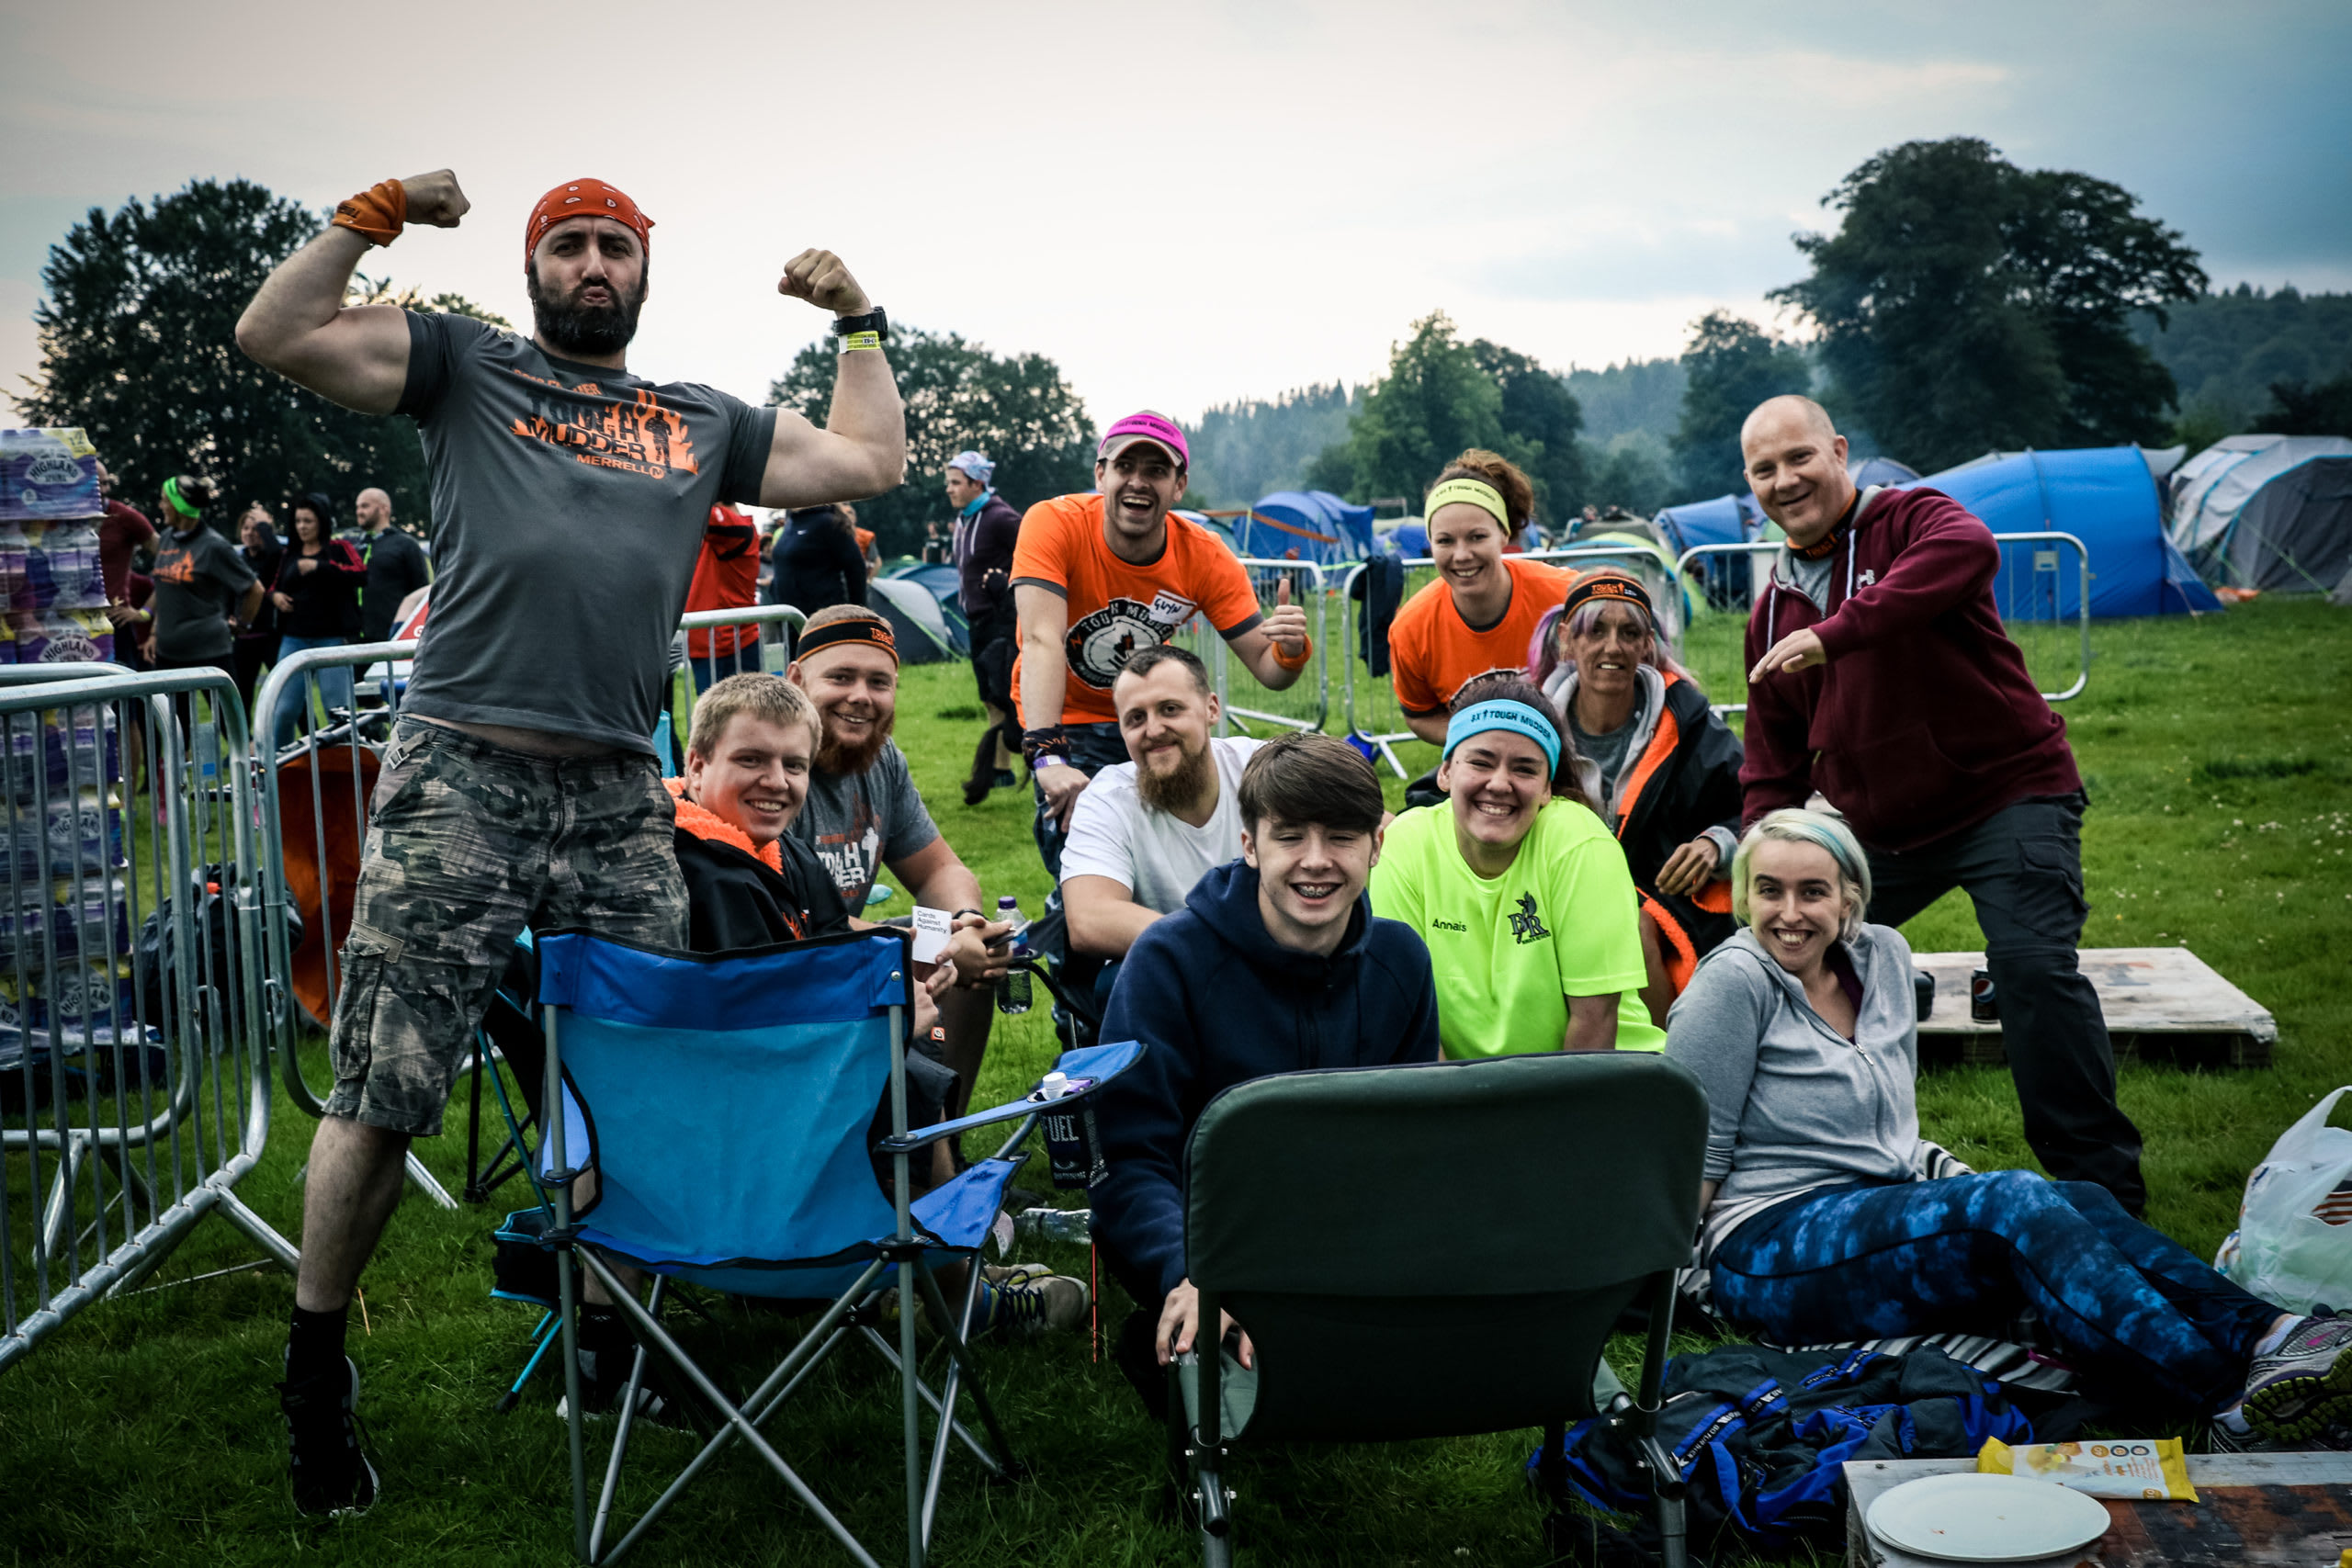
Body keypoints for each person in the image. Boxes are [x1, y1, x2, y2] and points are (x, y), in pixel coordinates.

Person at [235, 165, 903, 1516]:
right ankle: (316, 1367)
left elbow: (870, 461)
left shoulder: (698, 418)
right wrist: (371, 216)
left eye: (615, 247)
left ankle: (609, 1339)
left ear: (644, 274)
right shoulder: (465, 366)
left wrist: (860, 321)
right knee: (386, 1079)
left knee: (631, 1064)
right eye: (571, 246)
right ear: (538, 268)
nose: (594, 265)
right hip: (461, 768)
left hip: (615, 787)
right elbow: (276, 332)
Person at [1667, 807, 2352, 1442]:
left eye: (1812, 891)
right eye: (1768, 890)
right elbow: (1686, 1150)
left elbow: (1893, 1126)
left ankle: (2278, 1335)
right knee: (2011, 1202)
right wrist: (1653, 1271)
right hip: (1766, 1246)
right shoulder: (1734, 981)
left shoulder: (1885, 958)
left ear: (1849, 899)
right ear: (1745, 896)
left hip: (1872, 1210)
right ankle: (2228, 1398)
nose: (1789, 912)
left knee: (2080, 1200)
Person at [1737, 394, 2144, 1213]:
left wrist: (1838, 632)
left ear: (1840, 451)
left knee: (2030, 970)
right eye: (1764, 468)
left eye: (1799, 458)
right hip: (1881, 828)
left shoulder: (1910, 519)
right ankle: (1793, 1167)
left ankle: (2102, 1192)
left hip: (2008, 792)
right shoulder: (1773, 611)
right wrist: (1760, 866)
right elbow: (1772, 760)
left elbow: (1967, 550)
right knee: (1776, 954)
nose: (1785, 480)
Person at [658, 671, 1084, 1344]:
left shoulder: (764, 842)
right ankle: (961, 1303)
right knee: (908, 1088)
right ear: (697, 762)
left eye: (793, 765)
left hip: (695, 1153)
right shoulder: (705, 873)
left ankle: (941, 1275)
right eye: (751, 760)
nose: (777, 780)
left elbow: (830, 943)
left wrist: (922, 949)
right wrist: (884, 1018)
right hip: (753, 1160)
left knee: (911, 1067)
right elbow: (754, 1029)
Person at [1091, 733, 1440, 1407]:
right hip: (1210, 1240)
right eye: (1290, 837)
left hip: (1347, 1237)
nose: (1316, 861)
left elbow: (1414, 1147)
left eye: (1341, 836)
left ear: (1376, 844)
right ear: (1250, 845)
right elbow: (1129, 1157)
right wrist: (1185, 1272)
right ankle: (1181, 1329)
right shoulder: (1169, 960)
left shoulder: (1402, 961)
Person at [1012, 410, 1309, 876]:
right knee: (1080, 844)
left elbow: (1270, 671)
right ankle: (1081, 931)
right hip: (1066, 717)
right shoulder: (1054, 523)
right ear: (1100, 474)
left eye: (1156, 470)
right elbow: (1041, 639)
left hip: (1153, 714)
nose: (1138, 482)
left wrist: (1291, 649)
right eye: (1125, 467)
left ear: (1179, 486)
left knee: (1172, 847)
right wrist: (1048, 754)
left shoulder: (1206, 556)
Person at [1370, 673, 1664, 1058]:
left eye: (1524, 769)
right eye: (1481, 762)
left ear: (1546, 788)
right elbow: (1413, 1023)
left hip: (1600, 1086)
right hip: (1462, 1098)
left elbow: (1595, 1023)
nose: (1500, 783)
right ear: (1445, 772)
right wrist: (1457, 1117)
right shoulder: (1406, 844)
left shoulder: (1580, 843)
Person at [786, 605, 1004, 1122]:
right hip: (788, 962)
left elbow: (938, 871)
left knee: (974, 958)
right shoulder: (776, 762)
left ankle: (944, 1145)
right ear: (796, 679)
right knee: (930, 955)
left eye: (879, 682)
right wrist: (905, 946)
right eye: (840, 677)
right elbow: (787, 916)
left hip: (853, 946)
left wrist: (963, 926)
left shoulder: (883, 760)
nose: (861, 696)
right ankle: (909, 1168)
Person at [1532, 571, 1743, 1020]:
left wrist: (1716, 844)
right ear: (1567, 640)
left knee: (1634, 923)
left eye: (1629, 633)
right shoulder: (1530, 722)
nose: (1613, 647)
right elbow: (1450, 791)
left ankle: (1672, 1062)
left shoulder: (1689, 724)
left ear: (1647, 644)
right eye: (1596, 631)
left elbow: (1756, 809)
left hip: (1664, 903)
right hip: (1546, 891)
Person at [1060, 644, 1260, 1008]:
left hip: (1280, 959)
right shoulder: (1107, 798)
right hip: (1177, 976)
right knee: (1125, 976)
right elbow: (1089, 919)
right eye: (1135, 718)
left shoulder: (1260, 767)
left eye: (1170, 709)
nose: (1153, 730)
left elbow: (1371, 827)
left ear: (1211, 708)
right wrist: (1225, 948)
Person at [1387, 449, 1572, 747]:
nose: (1461, 555)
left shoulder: (1564, 597)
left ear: (1504, 533)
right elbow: (1419, 715)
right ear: (1430, 545)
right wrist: (1485, 740)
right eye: (1445, 540)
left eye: (1477, 537)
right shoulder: (1411, 628)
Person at [147, 475, 266, 742]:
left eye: (165, 501)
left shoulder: (213, 545)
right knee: (173, 733)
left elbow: (254, 589)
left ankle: (254, 782)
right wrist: (154, 632)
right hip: (168, 655)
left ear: (178, 505)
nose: (161, 506)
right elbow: (164, 589)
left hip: (209, 653)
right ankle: (180, 785)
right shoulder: (166, 538)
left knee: (232, 729)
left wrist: (243, 625)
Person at [945, 450, 1023, 806]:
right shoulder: (964, 518)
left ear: (978, 483)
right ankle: (1001, 769)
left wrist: (1008, 582)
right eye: (949, 482)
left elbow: (1034, 552)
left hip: (1002, 618)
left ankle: (1041, 760)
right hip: (974, 618)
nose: (949, 489)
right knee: (990, 696)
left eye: (955, 482)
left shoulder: (1001, 517)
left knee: (1009, 694)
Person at [268, 493, 368, 751]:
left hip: (332, 638)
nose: (302, 526)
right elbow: (273, 586)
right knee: (283, 710)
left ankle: (345, 768)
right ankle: (281, 770)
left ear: (321, 522)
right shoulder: (289, 553)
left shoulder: (339, 548)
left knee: (338, 712)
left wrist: (319, 566)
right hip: (294, 638)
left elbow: (361, 574)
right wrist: (275, 596)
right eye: (298, 521)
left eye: (308, 521)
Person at [682, 502, 763, 693]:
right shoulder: (717, 536)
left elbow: (692, 506)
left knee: (737, 718)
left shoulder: (739, 530)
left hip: (728, 646)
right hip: (710, 644)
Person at [94, 461, 158, 670]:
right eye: (98, 485)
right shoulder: (63, 520)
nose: (105, 490)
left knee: (124, 694)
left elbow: (171, 562)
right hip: (72, 623)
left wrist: (145, 611)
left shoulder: (124, 516)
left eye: (106, 483)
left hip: (115, 623)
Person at [354, 488, 431, 646]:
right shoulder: (355, 546)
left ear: (384, 509)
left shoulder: (406, 544)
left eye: (365, 506)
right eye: (357, 507)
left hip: (392, 639)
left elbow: (421, 592)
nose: (359, 511)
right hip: (353, 641)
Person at [768, 502, 868, 619]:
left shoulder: (828, 522)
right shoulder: (791, 522)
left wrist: (858, 616)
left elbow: (856, 569)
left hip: (821, 620)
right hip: (790, 619)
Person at [232, 504, 282, 703]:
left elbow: (276, 550)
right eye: (246, 528)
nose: (250, 533)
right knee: (242, 694)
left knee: (285, 688)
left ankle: (309, 731)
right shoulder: (237, 560)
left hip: (271, 636)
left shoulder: (272, 558)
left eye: (255, 528)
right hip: (244, 637)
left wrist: (265, 525)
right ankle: (245, 735)